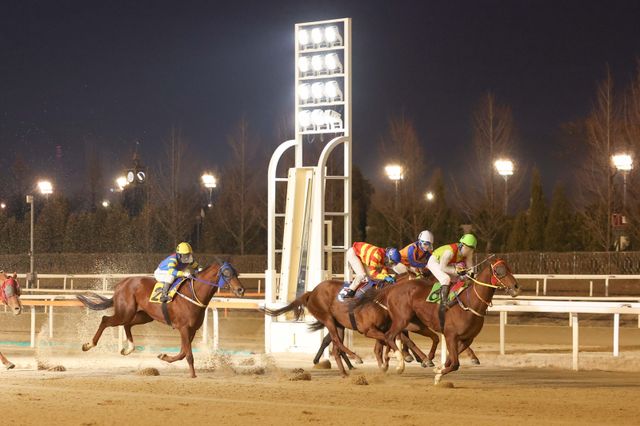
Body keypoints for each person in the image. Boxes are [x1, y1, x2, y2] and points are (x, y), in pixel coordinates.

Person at [427, 234, 477, 329]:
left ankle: (452, 298)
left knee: (459, 279)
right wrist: (457, 271)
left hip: (446, 264)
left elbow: (470, 267)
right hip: (435, 262)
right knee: (445, 279)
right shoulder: (449, 252)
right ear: (461, 245)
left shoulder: (468, 252)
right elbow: (442, 268)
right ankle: (444, 303)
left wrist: (471, 275)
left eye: (471, 249)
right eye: (467, 248)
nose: (469, 251)